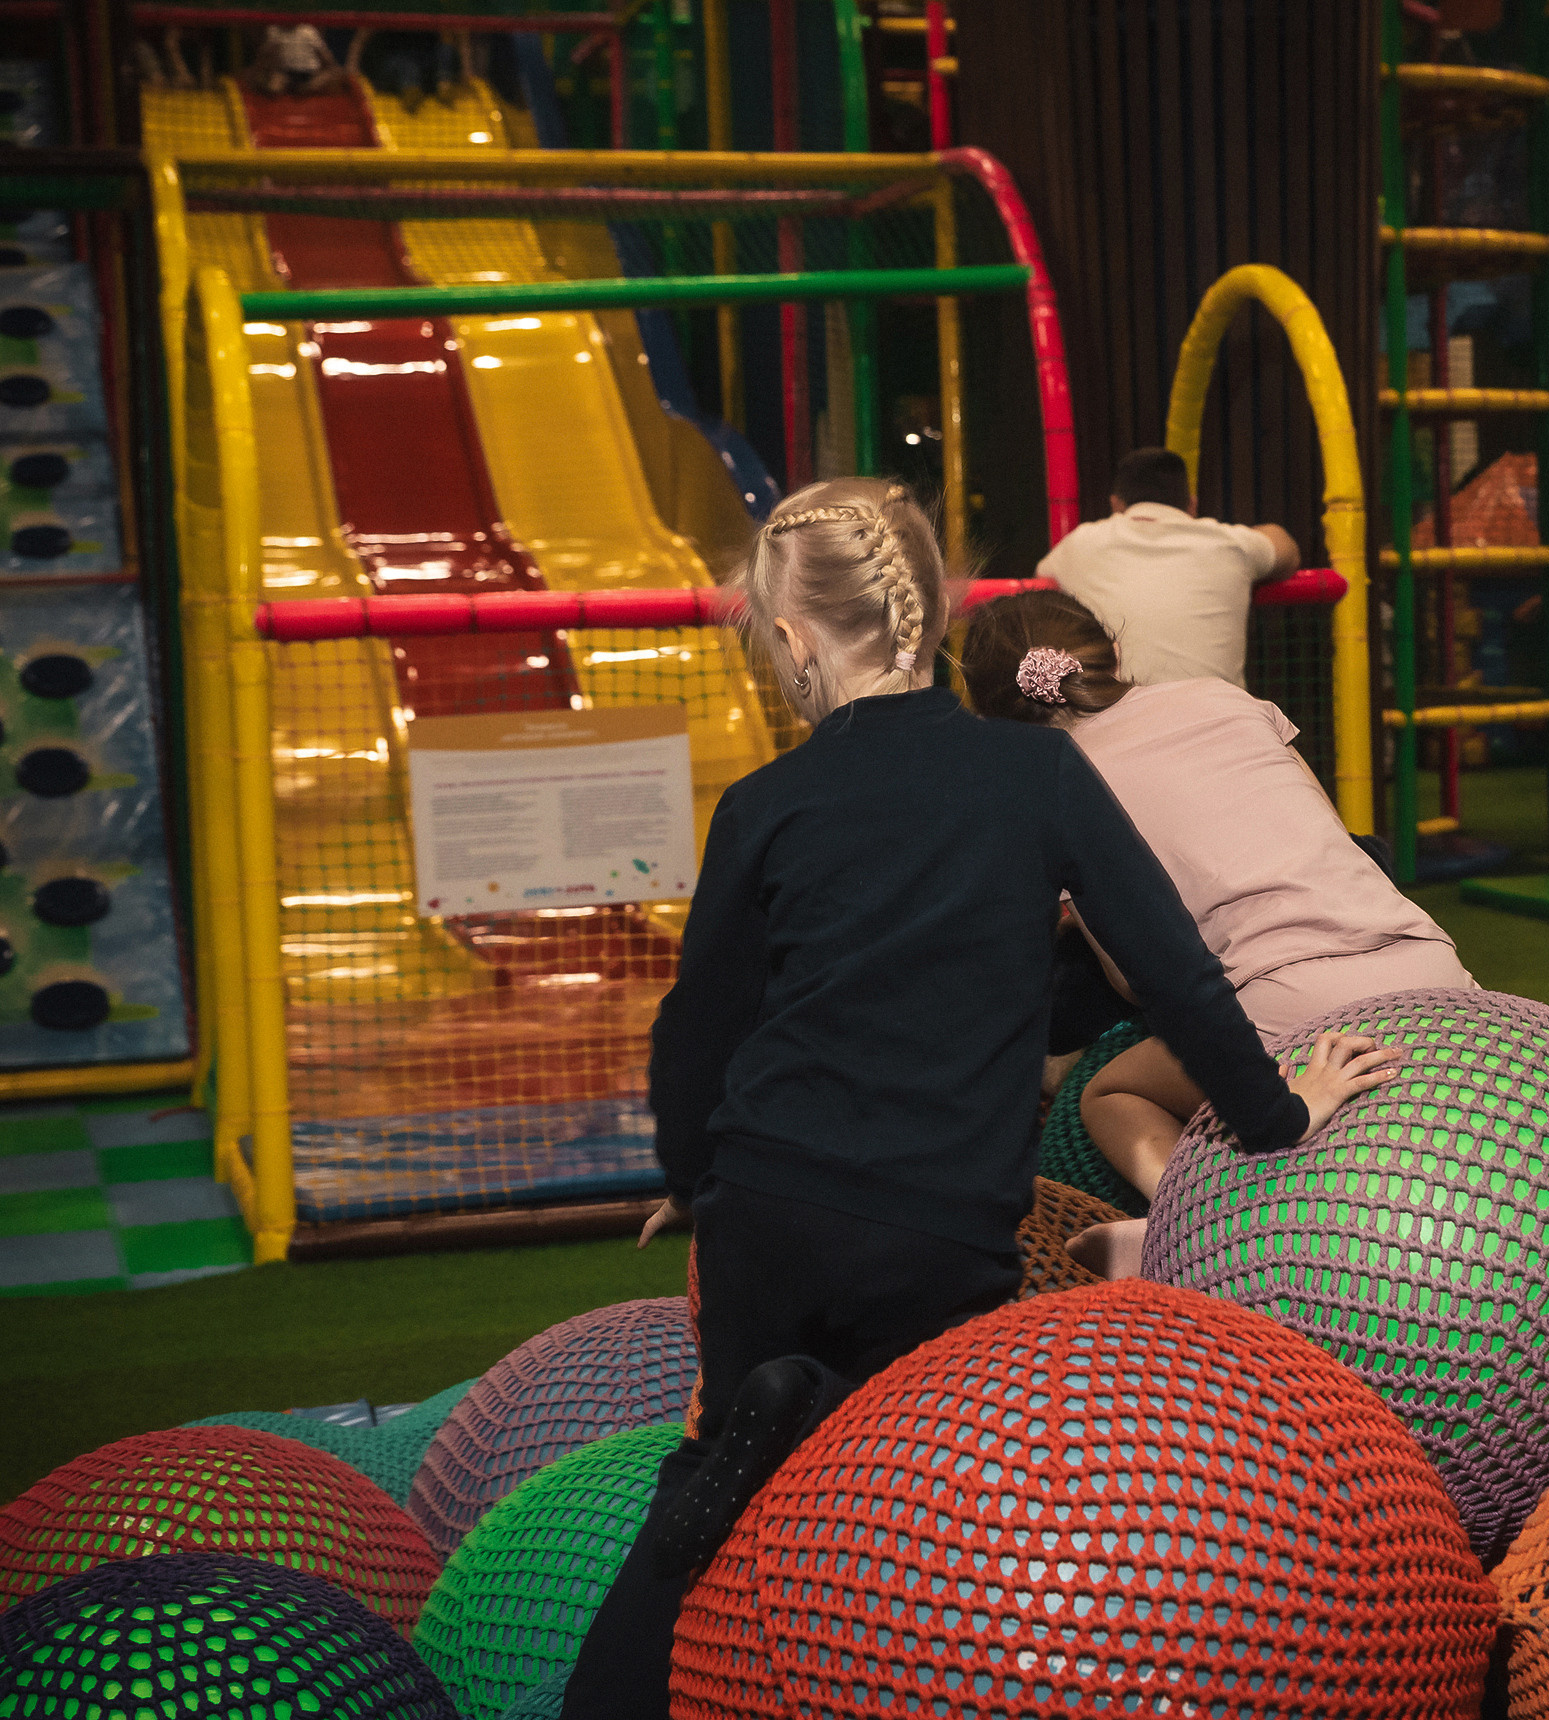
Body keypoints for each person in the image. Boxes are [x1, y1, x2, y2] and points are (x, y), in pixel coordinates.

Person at [561, 478, 1398, 1720]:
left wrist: (691, 1175)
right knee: (917, 1506)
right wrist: (1282, 1113)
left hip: (771, 1201)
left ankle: (663, 1605)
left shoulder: (764, 804)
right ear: (936, 613)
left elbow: (700, 1024)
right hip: (937, 1222)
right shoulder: (1036, 775)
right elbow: (1171, 968)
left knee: (706, 1497)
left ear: (790, 642)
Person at [962, 588, 1473, 1211]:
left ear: (988, 717)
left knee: (1110, 1093)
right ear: (1114, 653)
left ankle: (1188, 1228)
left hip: (1293, 1014)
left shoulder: (1048, 783)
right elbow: (1342, 842)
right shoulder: (1222, 697)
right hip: (1436, 971)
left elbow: (1135, 976)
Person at [1035, 447, 1300, 689]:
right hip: (1221, 726)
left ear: (1115, 504)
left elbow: (1040, 580)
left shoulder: (1081, 543)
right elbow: (1288, 550)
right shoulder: (1228, 543)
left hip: (1118, 727)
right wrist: (1251, 541)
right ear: (1192, 505)